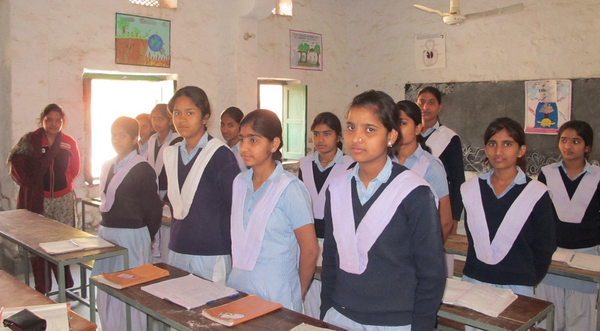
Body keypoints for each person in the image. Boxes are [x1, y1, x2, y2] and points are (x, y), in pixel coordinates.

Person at [320, 90, 445, 331]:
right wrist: (327, 309)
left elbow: (431, 273)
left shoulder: (415, 192)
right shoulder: (336, 188)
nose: (357, 138)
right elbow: (331, 259)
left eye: (369, 129)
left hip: (394, 323)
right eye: (351, 127)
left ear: (391, 136)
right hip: (340, 316)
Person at [227, 109, 318, 312]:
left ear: (274, 144)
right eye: (242, 140)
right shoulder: (239, 182)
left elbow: (310, 251)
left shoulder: (290, 188)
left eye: (253, 140)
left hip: (277, 297)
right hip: (239, 291)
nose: (244, 148)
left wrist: (297, 294)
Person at [461, 117, 556, 307]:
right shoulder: (471, 189)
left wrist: (526, 277)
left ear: (521, 150)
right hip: (475, 279)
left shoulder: (536, 193)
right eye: (492, 144)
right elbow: (472, 237)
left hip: (518, 286)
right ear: (485, 149)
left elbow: (545, 246)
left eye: (507, 144)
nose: (498, 151)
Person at [163, 86, 240, 284]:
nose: (182, 119)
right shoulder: (171, 153)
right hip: (178, 249)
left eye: (190, 113)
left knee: (210, 311)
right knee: (177, 312)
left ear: (205, 117)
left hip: (210, 254)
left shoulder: (221, 155)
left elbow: (236, 206)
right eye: (177, 113)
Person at [92, 116, 162, 331]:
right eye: (114, 135)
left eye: (122, 135)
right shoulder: (108, 166)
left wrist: (145, 237)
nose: (117, 140)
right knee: (107, 286)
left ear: (134, 139)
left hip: (131, 235)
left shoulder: (142, 169)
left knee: (132, 289)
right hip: (108, 235)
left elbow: (154, 210)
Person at [7, 103, 80, 294]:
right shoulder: (30, 140)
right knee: (38, 243)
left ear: (63, 122)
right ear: (42, 120)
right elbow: (17, 165)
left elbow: (74, 169)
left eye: (58, 120)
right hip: (38, 200)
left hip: (62, 199)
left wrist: (63, 187)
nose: (54, 124)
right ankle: (42, 287)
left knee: (62, 243)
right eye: (49, 120)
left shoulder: (69, 142)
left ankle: (66, 287)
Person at [535, 120, 600, 331]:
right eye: (563, 140)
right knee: (549, 318)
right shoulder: (547, 173)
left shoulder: (597, 177)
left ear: (587, 147)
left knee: (580, 320)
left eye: (576, 141)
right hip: (553, 255)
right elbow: (541, 216)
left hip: (586, 256)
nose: (568, 146)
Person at [298, 112, 353, 318]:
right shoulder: (304, 164)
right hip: (308, 235)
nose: (321, 140)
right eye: (316, 134)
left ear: (338, 136)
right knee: (309, 292)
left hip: (335, 238)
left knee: (330, 290)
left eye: (327, 134)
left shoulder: (350, 164)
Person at [395, 100, 453, 243]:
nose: (396, 128)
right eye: (393, 123)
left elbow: (445, 222)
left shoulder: (430, 166)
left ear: (417, 128)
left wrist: (429, 254)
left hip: (416, 248)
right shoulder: (383, 162)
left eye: (403, 123)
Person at [417, 86, 465, 231]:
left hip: (439, 207)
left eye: (431, 103)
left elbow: (457, 180)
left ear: (439, 107)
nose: (425, 107)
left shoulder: (449, 138)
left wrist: (455, 216)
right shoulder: (408, 135)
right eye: (421, 102)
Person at [147, 103, 182, 200]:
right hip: (153, 188)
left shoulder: (177, 140)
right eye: (154, 118)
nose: (156, 122)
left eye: (160, 119)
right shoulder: (152, 139)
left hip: (168, 189)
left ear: (170, 120)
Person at [220, 106, 247, 171]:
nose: (225, 130)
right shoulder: (220, 150)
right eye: (222, 125)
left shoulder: (246, 151)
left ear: (241, 125)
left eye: (230, 125)